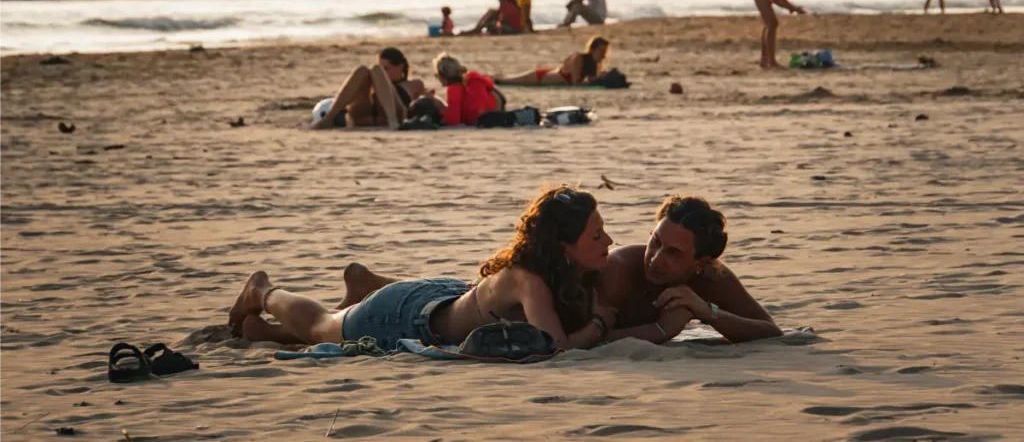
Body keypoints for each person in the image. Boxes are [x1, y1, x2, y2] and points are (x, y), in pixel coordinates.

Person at [227, 186, 616, 351]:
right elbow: (554, 348)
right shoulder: (529, 281)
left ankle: (266, 331)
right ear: (564, 245)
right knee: (319, 326)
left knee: (321, 330)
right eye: (596, 235)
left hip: (444, 296)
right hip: (405, 317)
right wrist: (597, 325)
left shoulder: (559, 271)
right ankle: (262, 292)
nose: (609, 242)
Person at [600, 196, 782, 344]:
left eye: (673, 252)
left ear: (701, 263)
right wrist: (661, 330)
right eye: (656, 242)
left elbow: (771, 332)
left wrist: (707, 312)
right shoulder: (618, 269)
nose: (656, 259)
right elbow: (582, 340)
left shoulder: (710, 277)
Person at [311, 47, 426, 130]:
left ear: (400, 67)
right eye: (383, 70)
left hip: (390, 116)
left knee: (375, 69)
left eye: (387, 69)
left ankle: (392, 121)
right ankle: (328, 118)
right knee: (362, 70)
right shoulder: (374, 84)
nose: (383, 73)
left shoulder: (414, 84)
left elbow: (428, 104)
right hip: (364, 117)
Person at [748, 0, 824, 68]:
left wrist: (792, 8)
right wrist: (794, 8)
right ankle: (771, 62)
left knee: (770, 24)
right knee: (772, 24)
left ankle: (764, 61)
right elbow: (776, 0)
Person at [495, 36, 610, 86]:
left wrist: (601, 77)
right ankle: (493, 79)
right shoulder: (579, 58)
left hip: (549, 75)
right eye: (601, 52)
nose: (603, 55)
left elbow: (590, 81)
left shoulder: (594, 63)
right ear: (592, 50)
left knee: (508, 79)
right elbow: (576, 83)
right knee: (507, 81)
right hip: (541, 77)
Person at [427, 53, 503, 126]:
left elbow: (453, 120)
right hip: (495, 106)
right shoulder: (473, 78)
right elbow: (490, 84)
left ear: (443, 77)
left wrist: (440, 112)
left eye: (437, 75)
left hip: (477, 119)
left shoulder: (453, 89)